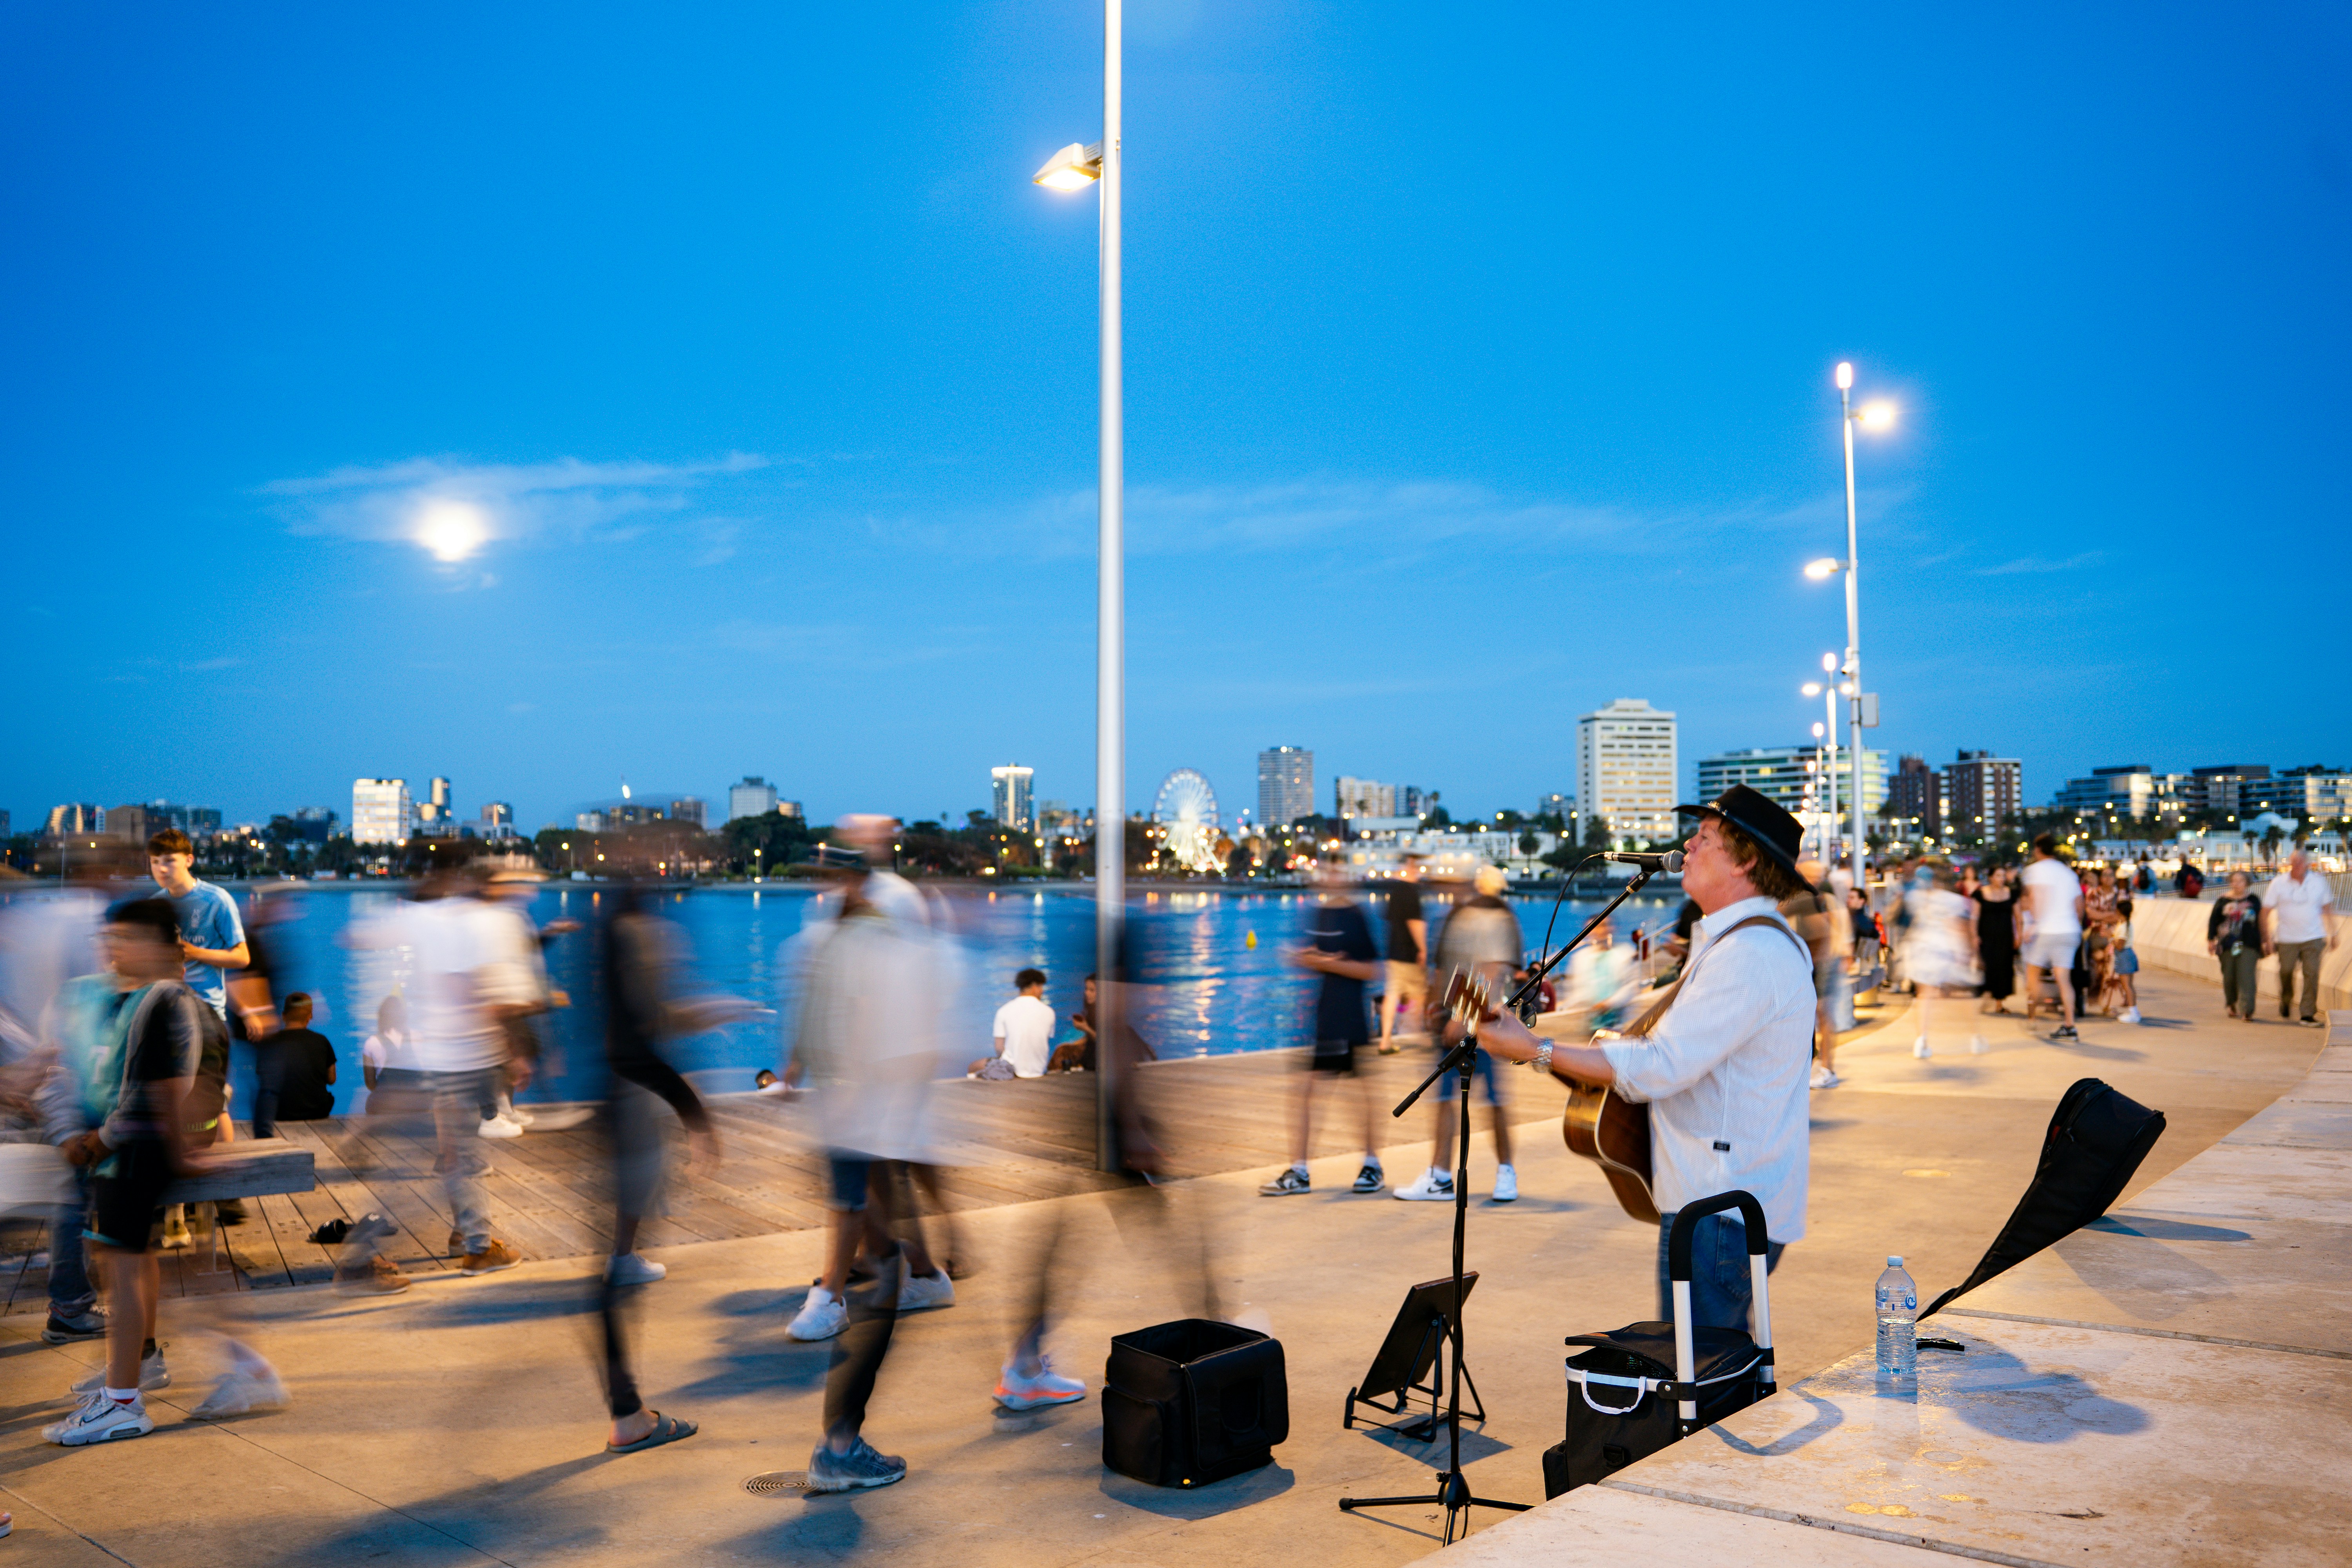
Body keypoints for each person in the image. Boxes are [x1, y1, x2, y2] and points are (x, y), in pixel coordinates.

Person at [1476, 786, 1815, 1334]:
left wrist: (1538, 1049)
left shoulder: (1751, 954)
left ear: (1747, 860)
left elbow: (1662, 1066)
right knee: (1711, 1365)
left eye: (1705, 838)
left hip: (1720, 1207)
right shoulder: (1738, 946)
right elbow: (1675, 1056)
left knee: (1702, 1376)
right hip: (1721, 1199)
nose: (1688, 844)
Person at [42, 900, 207, 1445]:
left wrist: (99, 1141)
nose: (115, 947)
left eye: (128, 937)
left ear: (163, 947)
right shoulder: (132, 999)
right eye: (110, 937)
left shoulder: (159, 1002)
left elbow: (147, 1088)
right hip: (127, 1149)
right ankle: (131, 1375)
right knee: (127, 1262)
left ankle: (122, 1401)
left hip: (132, 1152)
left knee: (123, 1269)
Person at [1259, 855, 1385, 1198]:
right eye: (1326, 872)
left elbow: (1372, 970)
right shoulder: (1319, 913)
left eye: (1336, 872)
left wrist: (1330, 963)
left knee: (1347, 1095)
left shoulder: (1357, 916)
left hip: (1348, 1017)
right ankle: (1310, 1169)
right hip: (1323, 1016)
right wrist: (1304, 958)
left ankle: (1366, 1166)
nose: (1330, 878)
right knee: (1317, 1093)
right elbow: (1319, 956)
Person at [1396, 866, 1521, 1202]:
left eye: (1453, 883)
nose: (1449, 890)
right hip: (1450, 1024)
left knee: (1493, 1101)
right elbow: (1443, 967)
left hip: (1485, 1023)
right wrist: (1432, 1004)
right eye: (1443, 884)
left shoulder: (1492, 918)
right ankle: (1439, 1176)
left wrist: (1466, 1020)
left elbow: (1492, 972)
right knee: (1445, 1100)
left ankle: (1506, 1171)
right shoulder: (1452, 918)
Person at [1902, 860, 1984, 1059]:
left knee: (1924, 997)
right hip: (1946, 950)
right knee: (1963, 995)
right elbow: (1958, 926)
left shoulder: (1915, 898)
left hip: (1922, 950)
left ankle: (1922, 1040)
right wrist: (1970, 954)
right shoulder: (1952, 900)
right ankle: (1974, 1038)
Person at [2262, 849, 2340, 1027]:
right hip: (2286, 938)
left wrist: (2333, 933)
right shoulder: (2279, 883)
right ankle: (2286, 999)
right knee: (2286, 972)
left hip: (2314, 936)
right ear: (2289, 863)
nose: (2297, 865)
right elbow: (2265, 911)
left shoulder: (2318, 882)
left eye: (2300, 862)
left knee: (2311, 974)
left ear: (2307, 864)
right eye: (2294, 862)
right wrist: (2267, 939)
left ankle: (2307, 1014)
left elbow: (2327, 908)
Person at [2019, 834, 2085, 1042]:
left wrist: (2035, 925)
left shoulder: (2034, 871)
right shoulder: (2068, 873)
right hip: (2070, 931)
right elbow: (2079, 906)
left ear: (2038, 850)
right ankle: (2070, 1026)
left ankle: (2033, 1017)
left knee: (2032, 974)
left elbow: (2037, 898)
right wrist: (2077, 928)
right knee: (2064, 981)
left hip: (2047, 931)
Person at [1782, 861, 1842, 1089]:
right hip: (1809, 959)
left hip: (1822, 960)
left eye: (1817, 874)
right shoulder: (1800, 895)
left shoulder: (1812, 895)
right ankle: (1816, 1064)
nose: (1813, 878)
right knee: (1813, 1013)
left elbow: (1832, 927)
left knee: (1823, 1013)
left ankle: (1827, 1068)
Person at [1377, 855, 1430, 1054]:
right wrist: (1423, 949)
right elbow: (1415, 923)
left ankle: (1385, 1041)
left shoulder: (1395, 891)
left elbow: (1391, 920)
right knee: (1420, 994)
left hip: (1393, 952)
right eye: (1416, 868)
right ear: (1411, 868)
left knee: (1392, 995)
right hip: (1409, 954)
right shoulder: (1411, 892)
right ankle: (1418, 1035)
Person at [267, 994, 338, 1121]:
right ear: (310, 1016)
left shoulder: (270, 1043)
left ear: (284, 1016)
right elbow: (332, 1080)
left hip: (280, 1113)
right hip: (318, 1112)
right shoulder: (322, 1041)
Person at [975, 969, 1054, 1078]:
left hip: (1012, 1070)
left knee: (973, 1067)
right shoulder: (1049, 1012)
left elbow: (999, 1048)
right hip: (1039, 1071)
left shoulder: (1004, 1010)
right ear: (1035, 987)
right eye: (1041, 987)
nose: (1042, 991)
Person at [2208, 871, 2264, 1021]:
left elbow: (2261, 921)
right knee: (2230, 976)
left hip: (2248, 943)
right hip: (2228, 944)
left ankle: (2247, 1010)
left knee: (2247, 976)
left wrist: (2265, 941)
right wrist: (2211, 940)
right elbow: (2213, 921)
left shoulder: (2254, 900)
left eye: (2241, 881)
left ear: (2247, 883)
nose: (2237, 884)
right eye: (2234, 881)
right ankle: (2231, 1003)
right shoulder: (2223, 900)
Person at [1973, 866, 2020, 1015]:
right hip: (1986, 936)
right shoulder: (1980, 894)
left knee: (2003, 967)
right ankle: (1987, 995)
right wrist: (1974, 935)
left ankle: (2000, 1003)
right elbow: (1974, 917)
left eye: (2003, 876)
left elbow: (2019, 918)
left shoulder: (2011, 894)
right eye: (1998, 876)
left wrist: (2019, 935)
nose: (2002, 879)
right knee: (1988, 966)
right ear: (1991, 877)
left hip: (2005, 937)